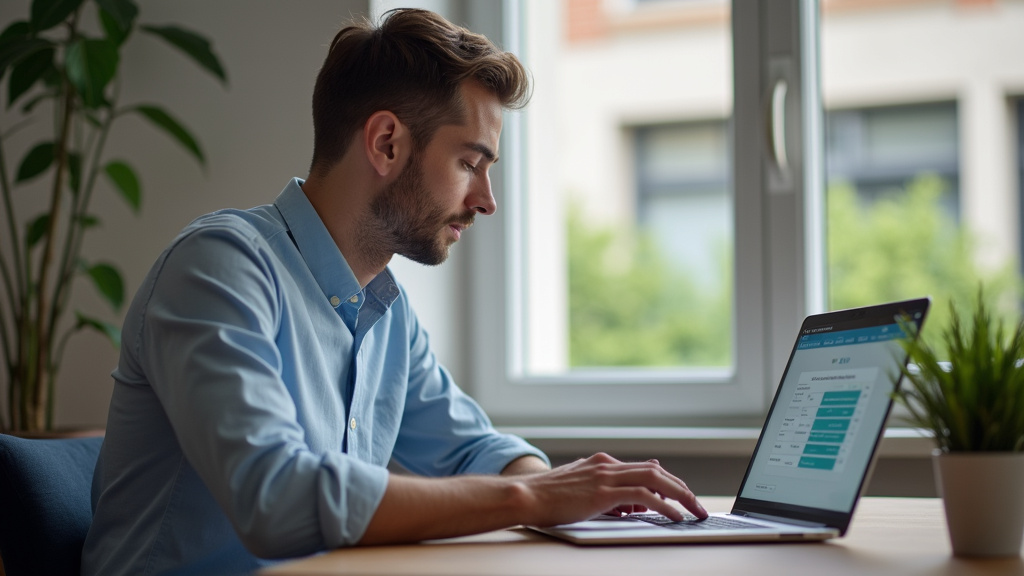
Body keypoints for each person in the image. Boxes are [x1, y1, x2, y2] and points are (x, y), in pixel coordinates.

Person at [81, 8, 706, 575]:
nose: (486, 201)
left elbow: (471, 449)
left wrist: (566, 496)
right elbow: (276, 498)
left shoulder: (384, 307)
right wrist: (535, 496)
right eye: (470, 163)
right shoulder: (219, 268)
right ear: (386, 143)